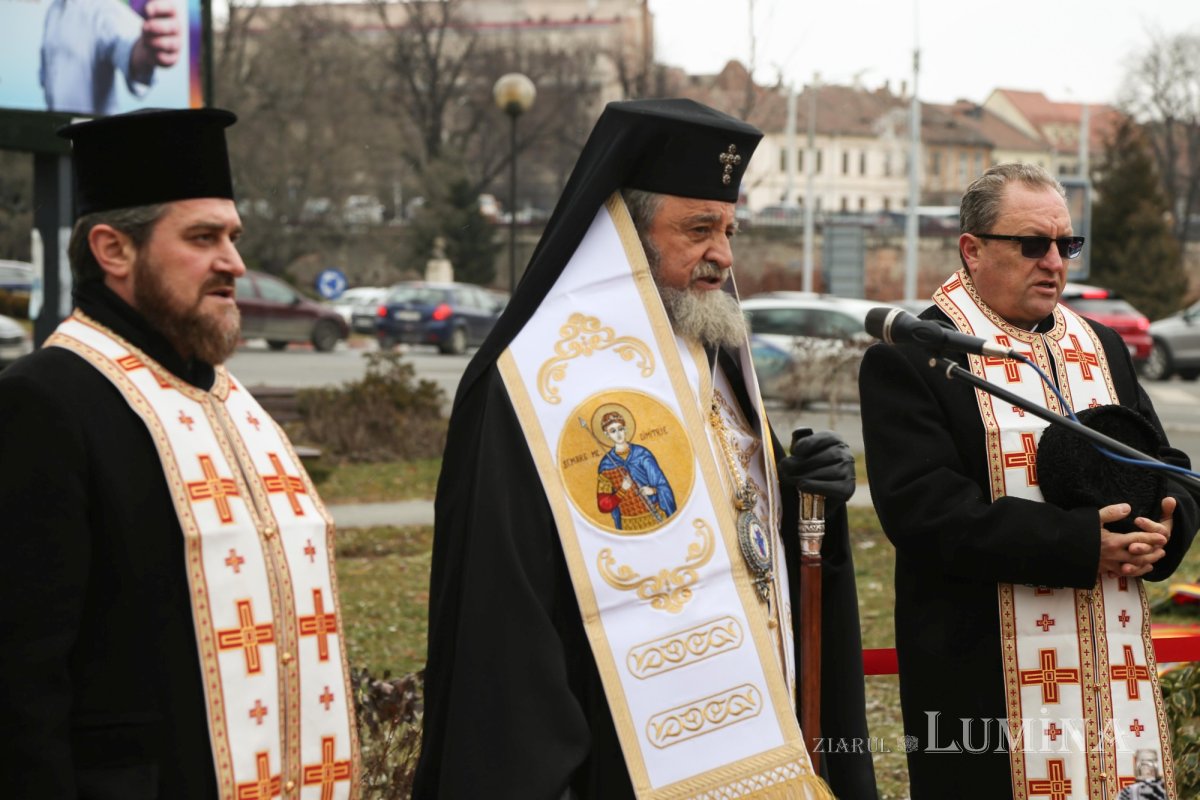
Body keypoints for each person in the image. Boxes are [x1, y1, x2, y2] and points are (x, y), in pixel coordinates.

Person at [414, 98, 876, 799]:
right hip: (616, 753)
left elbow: (739, 530)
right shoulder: (527, 383)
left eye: (728, 229)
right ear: (624, 237)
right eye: (698, 230)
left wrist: (808, 497)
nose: (722, 254)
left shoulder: (713, 358)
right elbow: (502, 618)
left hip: (753, 734)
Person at [0, 108, 359, 799]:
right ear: (113, 250)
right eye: (203, 237)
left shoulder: (227, 400)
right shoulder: (41, 403)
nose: (235, 262)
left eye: (232, 235)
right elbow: (19, 680)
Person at [859, 162, 1199, 798]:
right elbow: (924, 513)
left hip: (1112, 665)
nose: (1054, 262)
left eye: (1066, 244)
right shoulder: (916, 355)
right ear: (973, 249)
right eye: (1032, 244)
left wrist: (1166, 525)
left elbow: (1167, 467)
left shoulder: (1098, 346)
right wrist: (1080, 545)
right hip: (985, 678)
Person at [40, 0, 181, 115]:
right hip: (55, 136)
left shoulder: (105, 9)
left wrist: (147, 50)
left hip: (92, 142)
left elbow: (128, 46)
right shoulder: (54, 9)